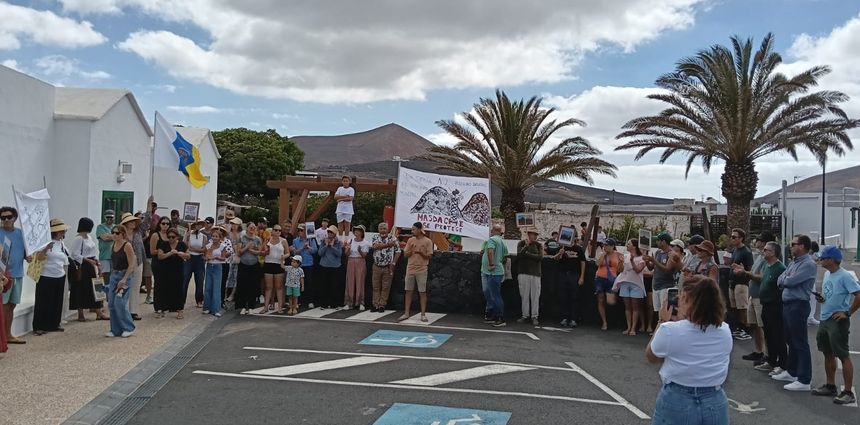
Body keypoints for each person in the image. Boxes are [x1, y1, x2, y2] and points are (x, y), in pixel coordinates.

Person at [646, 276, 732, 425]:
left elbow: (652, 356)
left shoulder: (669, 330)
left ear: (686, 299)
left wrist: (662, 321)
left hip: (678, 397)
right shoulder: (724, 330)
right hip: (714, 398)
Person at [810, 246, 860, 405]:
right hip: (825, 318)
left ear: (831, 259)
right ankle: (830, 385)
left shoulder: (844, 276)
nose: (820, 260)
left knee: (843, 355)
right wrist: (822, 299)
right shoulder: (826, 274)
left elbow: (858, 294)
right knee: (827, 352)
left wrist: (848, 312)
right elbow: (830, 293)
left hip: (838, 321)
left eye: (823, 258)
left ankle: (848, 392)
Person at [772, 234, 816, 391]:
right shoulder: (793, 262)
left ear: (802, 246)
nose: (790, 247)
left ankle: (804, 379)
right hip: (788, 305)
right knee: (790, 340)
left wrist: (785, 279)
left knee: (800, 342)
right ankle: (792, 372)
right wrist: (785, 279)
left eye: (793, 244)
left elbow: (790, 281)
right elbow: (780, 279)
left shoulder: (808, 264)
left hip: (798, 305)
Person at [733, 232, 773, 365]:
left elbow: (761, 277)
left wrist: (745, 272)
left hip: (760, 297)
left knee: (764, 326)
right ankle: (758, 351)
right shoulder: (760, 257)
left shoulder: (768, 260)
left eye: (760, 240)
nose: (757, 242)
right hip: (753, 295)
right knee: (756, 326)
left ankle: (768, 355)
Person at [32, 219, 71, 335]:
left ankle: (53, 324)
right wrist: (45, 249)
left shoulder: (61, 243)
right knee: (43, 301)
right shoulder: (45, 243)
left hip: (59, 274)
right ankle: (39, 325)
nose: (63, 233)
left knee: (56, 300)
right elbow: (38, 258)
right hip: (46, 275)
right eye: (61, 231)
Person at [755, 241, 787, 375]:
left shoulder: (780, 268)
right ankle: (771, 361)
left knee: (778, 336)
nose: (763, 251)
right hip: (766, 305)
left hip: (776, 306)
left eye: (766, 250)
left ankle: (783, 364)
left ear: (773, 252)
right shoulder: (768, 266)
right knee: (768, 335)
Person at [0, 206, 31, 344]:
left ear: (15, 218)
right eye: (3, 218)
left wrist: (29, 257)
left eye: (9, 217)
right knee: (3, 306)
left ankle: (8, 335)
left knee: (12, 305)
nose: (6, 220)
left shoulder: (20, 234)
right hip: (3, 276)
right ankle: (3, 337)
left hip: (17, 274)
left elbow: (25, 254)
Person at [120, 196, 153, 321]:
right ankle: (124, 310)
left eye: (134, 221)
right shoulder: (121, 234)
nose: (133, 223)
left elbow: (148, 220)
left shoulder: (138, 232)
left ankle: (133, 311)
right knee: (125, 286)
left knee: (135, 286)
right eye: (131, 221)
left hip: (138, 262)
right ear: (126, 223)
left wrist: (149, 204)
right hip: (125, 263)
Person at [68, 217, 108, 321]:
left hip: (91, 264)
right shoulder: (79, 239)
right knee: (82, 288)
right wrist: (87, 260)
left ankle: (98, 311)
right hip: (83, 266)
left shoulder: (89, 238)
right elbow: (75, 254)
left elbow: (93, 252)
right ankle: (80, 313)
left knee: (95, 287)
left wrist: (96, 261)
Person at [398, 222, 434, 323]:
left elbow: (429, 255)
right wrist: (411, 251)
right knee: (408, 291)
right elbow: (405, 254)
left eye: (414, 229)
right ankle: (406, 313)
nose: (412, 231)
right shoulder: (410, 240)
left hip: (422, 268)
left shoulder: (428, 241)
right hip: (410, 268)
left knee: (422, 291)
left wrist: (422, 253)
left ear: (419, 229)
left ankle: (423, 314)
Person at [107, 224, 137, 338]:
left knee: (120, 302)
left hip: (124, 276)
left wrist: (124, 279)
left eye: (117, 233)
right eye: (113, 233)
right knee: (111, 303)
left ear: (122, 234)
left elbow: (131, 264)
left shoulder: (127, 245)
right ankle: (115, 329)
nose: (114, 235)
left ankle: (128, 327)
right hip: (114, 275)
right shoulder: (113, 245)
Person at [644, 232, 681, 320]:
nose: (656, 242)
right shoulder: (657, 252)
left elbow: (667, 270)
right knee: (658, 311)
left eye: (658, 241)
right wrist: (647, 261)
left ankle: (663, 329)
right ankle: (659, 328)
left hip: (666, 286)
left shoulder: (671, 254)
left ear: (663, 242)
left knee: (665, 310)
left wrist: (654, 260)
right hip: (656, 285)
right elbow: (650, 268)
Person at [155, 227, 189, 319]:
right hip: (165, 271)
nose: (170, 239)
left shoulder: (182, 244)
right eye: (169, 237)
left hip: (178, 270)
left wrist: (179, 253)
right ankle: (163, 309)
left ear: (177, 237)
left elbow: (188, 256)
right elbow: (160, 256)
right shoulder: (164, 244)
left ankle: (180, 310)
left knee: (178, 290)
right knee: (165, 289)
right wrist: (170, 253)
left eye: (173, 237)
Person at [727, 228, 754, 342]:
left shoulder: (746, 252)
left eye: (734, 237)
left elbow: (750, 269)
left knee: (742, 307)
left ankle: (745, 329)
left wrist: (743, 271)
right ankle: (738, 328)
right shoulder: (735, 250)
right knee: (735, 307)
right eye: (731, 236)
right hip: (733, 282)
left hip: (741, 283)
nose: (731, 239)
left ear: (741, 238)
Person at [616, 238, 646, 336]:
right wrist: (620, 262)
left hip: (636, 284)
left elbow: (638, 270)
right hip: (625, 282)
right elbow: (620, 270)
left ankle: (633, 328)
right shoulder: (625, 256)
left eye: (629, 244)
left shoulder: (642, 258)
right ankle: (628, 327)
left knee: (635, 307)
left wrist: (632, 261)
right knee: (627, 307)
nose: (627, 245)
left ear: (634, 246)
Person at [480, 224, 508, 327]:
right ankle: (496, 316)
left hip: (493, 271)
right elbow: (505, 256)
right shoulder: (502, 241)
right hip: (496, 271)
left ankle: (500, 318)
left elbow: (490, 251)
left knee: (495, 295)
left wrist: (492, 264)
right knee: (494, 294)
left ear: (493, 230)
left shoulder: (491, 240)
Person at [556, 232, 586, 328]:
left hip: (574, 274)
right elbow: (556, 259)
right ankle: (564, 317)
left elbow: (583, 262)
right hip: (563, 274)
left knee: (574, 297)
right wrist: (560, 254)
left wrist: (582, 276)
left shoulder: (578, 249)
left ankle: (573, 318)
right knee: (563, 296)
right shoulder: (562, 248)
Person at [371, 222, 400, 312]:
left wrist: (394, 263)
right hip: (377, 265)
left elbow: (398, 251)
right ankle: (375, 304)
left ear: (387, 229)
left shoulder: (393, 238)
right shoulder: (375, 237)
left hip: (388, 266)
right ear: (378, 230)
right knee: (375, 286)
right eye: (381, 229)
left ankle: (382, 305)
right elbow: (375, 246)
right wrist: (388, 245)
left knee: (386, 287)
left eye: (384, 229)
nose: (383, 231)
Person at [594, 238, 622, 331]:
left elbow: (620, 270)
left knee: (611, 301)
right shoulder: (602, 253)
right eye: (604, 245)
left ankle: (611, 319)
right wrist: (604, 254)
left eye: (607, 245)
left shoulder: (617, 255)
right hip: (600, 277)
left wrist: (621, 262)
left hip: (611, 279)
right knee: (601, 299)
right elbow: (597, 263)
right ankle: (604, 322)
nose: (605, 247)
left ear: (612, 246)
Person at [204, 226, 232, 317]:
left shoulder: (222, 246)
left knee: (216, 288)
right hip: (209, 266)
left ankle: (216, 309)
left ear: (220, 238)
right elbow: (205, 256)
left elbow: (224, 258)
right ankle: (207, 307)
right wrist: (207, 257)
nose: (214, 238)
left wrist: (216, 257)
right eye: (213, 236)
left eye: (216, 236)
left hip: (217, 267)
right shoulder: (208, 246)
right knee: (208, 287)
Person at [516, 228, 542, 327]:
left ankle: (534, 316)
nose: (535, 236)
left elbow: (539, 257)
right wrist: (526, 248)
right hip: (523, 272)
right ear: (529, 234)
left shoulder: (539, 245)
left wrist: (527, 254)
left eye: (536, 234)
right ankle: (525, 315)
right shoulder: (521, 243)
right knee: (524, 295)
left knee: (535, 296)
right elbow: (519, 255)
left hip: (535, 273)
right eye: (533, 234)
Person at [261, 223, 289, 314]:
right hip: (268, 263)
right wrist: (265, 251)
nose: (278, 232)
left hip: (278, 264)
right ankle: (266, 307)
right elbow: (262, 250)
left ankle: (280, 307)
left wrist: (283, 257)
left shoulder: (284, 241)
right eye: (276, 230)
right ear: (272, 231)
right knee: (268, 287)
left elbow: (288, 253)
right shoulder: (268, 239)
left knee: (279, 287)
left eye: (279, 230)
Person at [236, 223, 262, 315]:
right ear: (246, 228)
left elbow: (259, 252)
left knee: (253, 286)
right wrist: (247, 247)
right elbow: (238, 253)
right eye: (250, 227)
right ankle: (242, 306)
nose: (252, 229)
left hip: (254, 264)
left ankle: (251, 306)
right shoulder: (241, 238)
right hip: (243, 264)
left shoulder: (258, 239)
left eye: (254, 228)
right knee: (243, 286)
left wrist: (251, 250)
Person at [291, 224, 317, 310]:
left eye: (302, 230)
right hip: (299, 265)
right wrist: (302, 248)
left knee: (309, 283)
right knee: (298, 283)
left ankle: (310, 301)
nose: (300, 232)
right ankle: (299, 300)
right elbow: (295, 253)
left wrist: (308, 247)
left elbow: (315, 251)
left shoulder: (311, 239)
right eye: (299, 230)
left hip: (309, 264)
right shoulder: (295, 240)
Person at [344, 224, 370, 310]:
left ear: (362, 232)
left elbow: (364, 255)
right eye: (355, 230)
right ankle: (349, 302)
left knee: (360, 281)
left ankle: (360, 302)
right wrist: (347, 249)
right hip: (351, 260)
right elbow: (347, 254)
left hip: (360, 261)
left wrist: (360, 250)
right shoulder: (350, 241)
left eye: (358, 230)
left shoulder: (365, 242)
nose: (356, 232)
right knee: (350, 281)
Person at [318, 225, 344, 309]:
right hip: (324, 265)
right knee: (324, 285)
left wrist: (332, 247)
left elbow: (339, 254)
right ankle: (324, 303)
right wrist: (326, 245)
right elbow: (320, 253)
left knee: (335, 285)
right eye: (328, 232)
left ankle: (335, 303)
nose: (329, 233)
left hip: (335, 266)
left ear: (335, 234)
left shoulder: (338, 242)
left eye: (331, 232)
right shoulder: (323, 241)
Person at [184, 219, 208, 309]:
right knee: (185, 279)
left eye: (200, 225)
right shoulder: (189, 234)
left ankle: (199, 300)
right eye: (197, 224)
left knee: (199, 280)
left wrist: (193, 249)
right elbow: (185, 245)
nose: (199, 226)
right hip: (189, 258)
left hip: (199, 259)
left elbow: (203, 249)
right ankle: (182, 300)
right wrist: (187, 237)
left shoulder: (204, 236)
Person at [148, 216, 171, 311]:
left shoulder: (170, 235)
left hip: (169, 263)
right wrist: (163, 251)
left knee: (167, 284)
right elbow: (152, 251)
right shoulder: (155, 235)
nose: (165, 225)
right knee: (159, 284)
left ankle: (166, 304)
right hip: (158, 263)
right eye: (163, 223)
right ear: (159, 224)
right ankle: (158, 306)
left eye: (167, 223)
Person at [224, 217, 243, 305]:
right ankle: (225, 293)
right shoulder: (227, 233)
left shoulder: (241, 234)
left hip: (237, 257)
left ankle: (232, 294)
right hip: (228, 257)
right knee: (227, 275)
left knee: (236, 276)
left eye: (235, 224)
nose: (233, 225)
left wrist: (235, 233)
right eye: (232, 223)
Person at [96, 210, 115, 283]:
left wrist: (109, 236)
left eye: (111, 217)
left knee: (114, 275)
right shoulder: (100, 227)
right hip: (105, 256)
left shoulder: (116, 226)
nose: (109, 219)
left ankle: (111, 292)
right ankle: (101, 292)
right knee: (104, 274)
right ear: (105, 217)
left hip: (115, 256)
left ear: (114, 217)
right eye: (108, 217)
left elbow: (121, 237)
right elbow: (104, 238)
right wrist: (115, 236)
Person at [335, 176, 355, 240]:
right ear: (342, 182)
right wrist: (345, 196)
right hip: (340, 210)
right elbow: (335, 197)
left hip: (348, 210)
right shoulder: (340, 188)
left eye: (347, 181)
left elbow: (350, 198)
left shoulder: (351, 189)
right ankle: (340, 239)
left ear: (349, 182)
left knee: (347, 225)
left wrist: (340, 199)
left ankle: (346, 239)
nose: (345, 182)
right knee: (340, 224)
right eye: (344, 181)